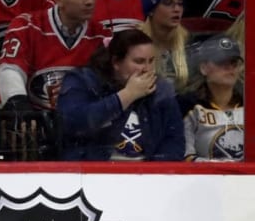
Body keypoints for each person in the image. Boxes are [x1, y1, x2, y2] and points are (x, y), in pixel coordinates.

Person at [0, 0, 110, 160]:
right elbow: (10, 69)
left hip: (79, 129)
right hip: (34, 125)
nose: (89, 1)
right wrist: (19, 103)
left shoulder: (101, 35)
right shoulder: (27, 25)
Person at [57, 28, 185, 161]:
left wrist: (154, 173)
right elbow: (73, 124)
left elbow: (174, 140)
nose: (147, 69)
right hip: (94, 172)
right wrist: (127, 95)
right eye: (139, 61)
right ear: (116, 62)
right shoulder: (83, 80)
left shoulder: (160, 89)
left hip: (147, 175)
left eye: (151, 61)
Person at [181, 34, 255, 161]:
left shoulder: (254, 103)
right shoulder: (189, 107)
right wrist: (222, 170)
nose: (229, 67)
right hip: (207, 180)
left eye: (233, 62)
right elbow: (186, 156)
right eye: (221, 61)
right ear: (203, 68)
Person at [138, 0, 190, 93]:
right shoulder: (135, 43)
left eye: (180, 3)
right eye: (168, 3)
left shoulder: (190, 43)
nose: (177, 9)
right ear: (151, 10)